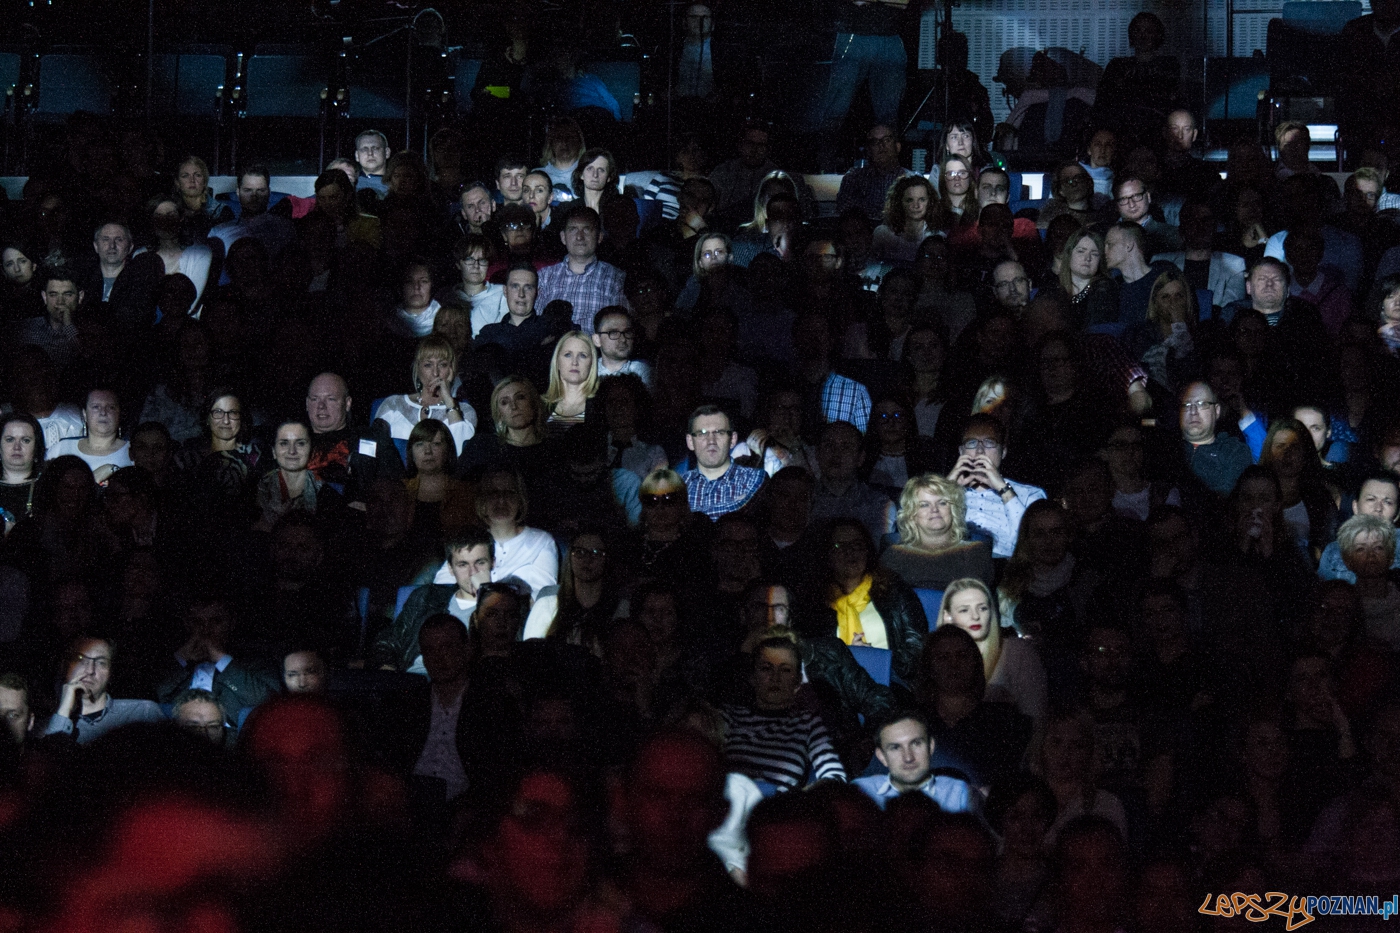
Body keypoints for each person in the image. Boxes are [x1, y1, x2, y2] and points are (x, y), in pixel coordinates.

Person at [914, 624, 1034, 790]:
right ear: (930, 667)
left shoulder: (1005, 721)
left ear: (975, 663)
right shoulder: (913, 723)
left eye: (962, 656)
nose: (953, 665)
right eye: (943, 657)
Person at [721, 634, 847, 790]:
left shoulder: (807, 723)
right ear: (753, 677)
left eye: (785, 670)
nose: (775, 678)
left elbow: (835, 776)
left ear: (797, 681)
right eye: (766, 669)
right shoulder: (730, 717)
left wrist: (799, 797)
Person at [820, 517, 928, 684]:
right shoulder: (817, 604)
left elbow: (917, 649)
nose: (850, 552)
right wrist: (850, 658)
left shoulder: (894, 590)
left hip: (892, 686)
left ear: (867, 550)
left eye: (857, 545)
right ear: (828, 555)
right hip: (836, 691)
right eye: (839, 546)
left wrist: (876, 659)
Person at [372, 528, 496, 672]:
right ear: (450, 568)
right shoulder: (426, 597)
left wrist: (486, 595)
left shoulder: (504, 605)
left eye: (480, 563)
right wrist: (388, 669)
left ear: (492, 563)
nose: (472, 572)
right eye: (463, 564)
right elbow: (387, 641)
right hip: (413, 678)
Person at [936, 577, 1047, 721]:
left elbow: (1036, 719)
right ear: (948, 616)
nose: (975, 616)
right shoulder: (935, 657)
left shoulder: (1016, 652)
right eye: (964, 610)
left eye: (982, 608)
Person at [952, 414, 1047, 558]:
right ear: (961, 452)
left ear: (1003, 452)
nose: (980, 451)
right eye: (971, 443)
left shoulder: (1030, 494)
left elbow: (1034, 543)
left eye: (989, 443)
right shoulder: (945, 492)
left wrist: (1004, 490)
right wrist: (945, 488)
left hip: (1008, 567)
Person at [40, 635, 163, 744]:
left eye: (101, 663)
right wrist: (63, 711)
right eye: (81, 659)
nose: (90, 670)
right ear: (66, 667)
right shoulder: (45, 727)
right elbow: (49, 759)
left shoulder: (142, 712)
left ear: (111, 672)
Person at [880, 473, 993, 590]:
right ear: (911, 514)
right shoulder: (894, 555)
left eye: (942, 503)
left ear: (953, 509)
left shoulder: (975, 552)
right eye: (924, 505)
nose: (934, 509)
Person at [304, 373, 402, 503]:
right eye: (315, 399)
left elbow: (397, 490)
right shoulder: (290, 444)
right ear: (307, 403)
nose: (321, 406)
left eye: (331, 399)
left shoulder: (373, 439)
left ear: (347, 403)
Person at [373, 336, 477, 458]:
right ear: (418, 368)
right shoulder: (394, 404)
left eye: (442, 365)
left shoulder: (465, 411)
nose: (435, 373)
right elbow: (374, 449)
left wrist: (449, 401)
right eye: (428, 365)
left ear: (451, 369)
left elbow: (461, 454)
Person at [853, 710, 976, 811]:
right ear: (881, 757)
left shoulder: (960, 794)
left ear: (931, 747)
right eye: (895, 747)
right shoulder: (860, 792)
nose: (908, 758)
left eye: (916, 743)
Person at [536, 205, 628, 333]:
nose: (579, 237)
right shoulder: (544, 277)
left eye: (587, 229)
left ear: (599, 237)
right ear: (563, 237)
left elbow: (619, 330)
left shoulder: (616, 278)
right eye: (573, 229)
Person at [808, 421, 897, 544]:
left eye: (846, 447)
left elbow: (876, 549)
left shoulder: (879, 504)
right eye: (829, 445)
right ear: (817, 454)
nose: (836, 453)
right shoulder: (802, 499)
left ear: (860, 458)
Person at [1152, 199, 1247, 311]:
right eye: (1192, 221)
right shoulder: (1161, 262)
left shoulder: (1234, 265)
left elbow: (1231, 310)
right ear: (1182, 229)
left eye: (1205, 221)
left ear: (1214, 227)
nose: (1199, 227)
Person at [683, 405, 765, 519]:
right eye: (702, 433)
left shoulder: (755, 477)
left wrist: (686, 515)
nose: (711, 441)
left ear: (733, 439)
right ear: (690, 442)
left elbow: (742, 510)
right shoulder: (680, 484)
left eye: (719, 432)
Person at [81, 220, 164, 331]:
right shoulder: (83, 281)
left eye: (119, 239)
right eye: (106, 239)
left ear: (130, 247)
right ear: (96, 246)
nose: (112, 246)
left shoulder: (141, 284)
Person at [1178, 380, 1252, 497]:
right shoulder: (1167, 448)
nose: (1193, 412)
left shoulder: (1234, 451)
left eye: (1202, 404)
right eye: (1186, 405)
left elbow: (1230, 495)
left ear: (1217, 411)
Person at [1319, 474, 1400, 581]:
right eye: (1371, 499)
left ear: (1397, 514)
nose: (1378, 508)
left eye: (1388, 502)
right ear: (1355, 507)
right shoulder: (1334, 551)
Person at [255, 419, 331, 531]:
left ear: (312, 450)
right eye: (284, 443)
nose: (292, 451)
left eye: (300, 443)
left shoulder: (324, 491)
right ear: (274, 451)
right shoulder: (258, 489)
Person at [1338, 514, 1400, 649]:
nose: (1371, 554)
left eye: (1378, 547)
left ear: (1390, 557)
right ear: (1348, 561)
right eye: (1360, 549)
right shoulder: (1343, 607)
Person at [50, 387, 133, 484]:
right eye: (96, 407)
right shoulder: (62, 448)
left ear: (120, 413)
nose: (103, 413)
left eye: (111, 407)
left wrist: (114, 470)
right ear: (85, 414)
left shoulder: (133, 451)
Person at [1105, 221, 1178, 327]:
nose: (1105, 251)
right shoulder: (1115, 288)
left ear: (1129, 246)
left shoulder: (1164, 275)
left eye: (1110, 244)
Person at [835, 124, 912, 223]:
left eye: (887, 140)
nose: (881, 145)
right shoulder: (854, 178)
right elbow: (845, 216)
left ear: (897, 147)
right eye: (874, 142)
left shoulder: (911, 179)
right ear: (868, 150)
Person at [16, 269, 83, 374]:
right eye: (53, 294)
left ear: (80, 297)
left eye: (67, 294)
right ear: (44, 297)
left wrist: (68, 325)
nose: (60, 302)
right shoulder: (28, 329)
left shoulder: (89, 331)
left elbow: (87, 358)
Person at [1058, 228, 1120, 329]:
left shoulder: (1105, 289)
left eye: (1094, 254)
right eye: (1081, 251)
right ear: (1069, 254)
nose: (1087, 258)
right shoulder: (1054, 288)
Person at [870, 176, 938, 265]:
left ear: (930, 202)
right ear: (899, 202)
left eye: (922, 200)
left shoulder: (937, 236)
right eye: (910, 200)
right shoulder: (882, 234)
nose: (916, 206)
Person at [541, 330, 599, 428]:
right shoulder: (540, 405)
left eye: (582, 355)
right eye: (568, 355)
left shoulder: (601, 405)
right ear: (557, 362)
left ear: (592, 363)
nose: (574, 362)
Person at [0, 413, 44, 533]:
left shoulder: (48, 487)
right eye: (10, 439)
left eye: (25, 440)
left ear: (36, 447)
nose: (17, 447)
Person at [592, 306, 652, 385]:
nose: (623, 339)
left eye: (627, 332)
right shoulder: (588, 370)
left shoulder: (643, 371)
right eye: (613, 333)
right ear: (597, 340)